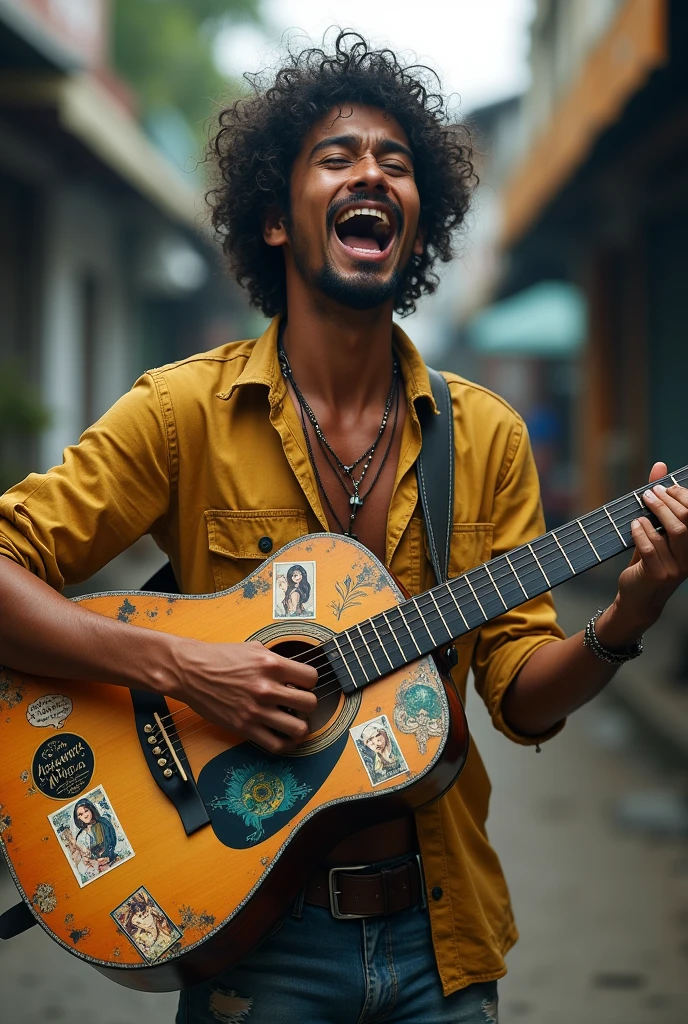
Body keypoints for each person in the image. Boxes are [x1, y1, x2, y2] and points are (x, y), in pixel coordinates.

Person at [0, 30, 687, 1024]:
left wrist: (630, 613)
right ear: (275, 218)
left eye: (396, 162)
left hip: (437, 941)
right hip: (246, 938)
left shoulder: (484, 436)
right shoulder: (183, 413)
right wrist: (182, 667)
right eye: (339, 156)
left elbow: (522, 698)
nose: (373, 171)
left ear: (416, 224)